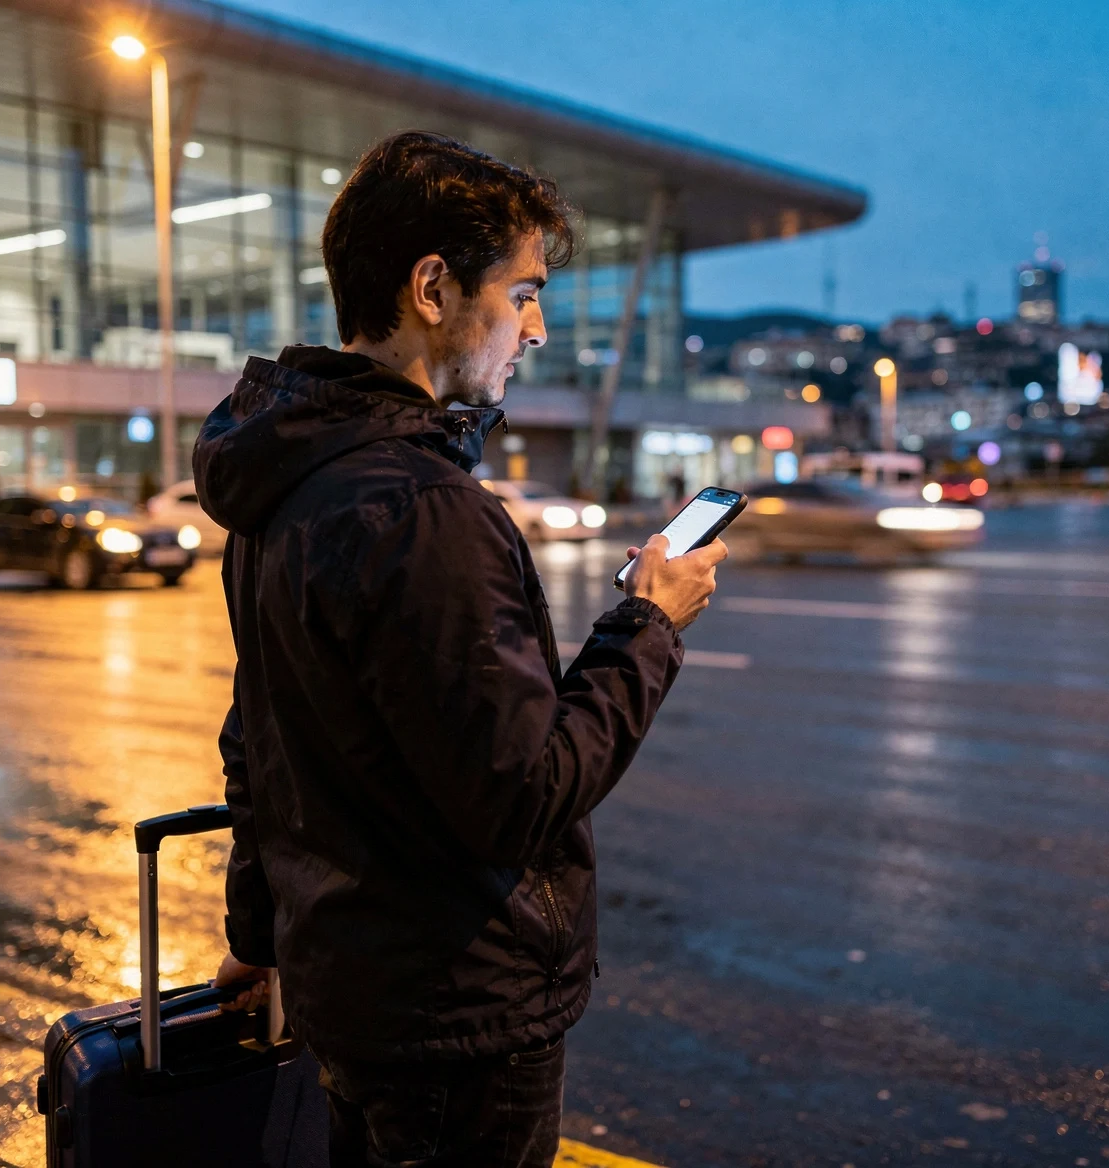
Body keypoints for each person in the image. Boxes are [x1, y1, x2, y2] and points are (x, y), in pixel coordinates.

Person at [194, 131, 726, 1167]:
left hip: (353, 989)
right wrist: (649, 622)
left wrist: (259, 934)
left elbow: (256, 741)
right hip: (455, 1013)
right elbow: (523, 793)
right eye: (521, 292)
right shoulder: (422, 509)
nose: (536, 326)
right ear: (432, 287)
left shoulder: (281, 485)